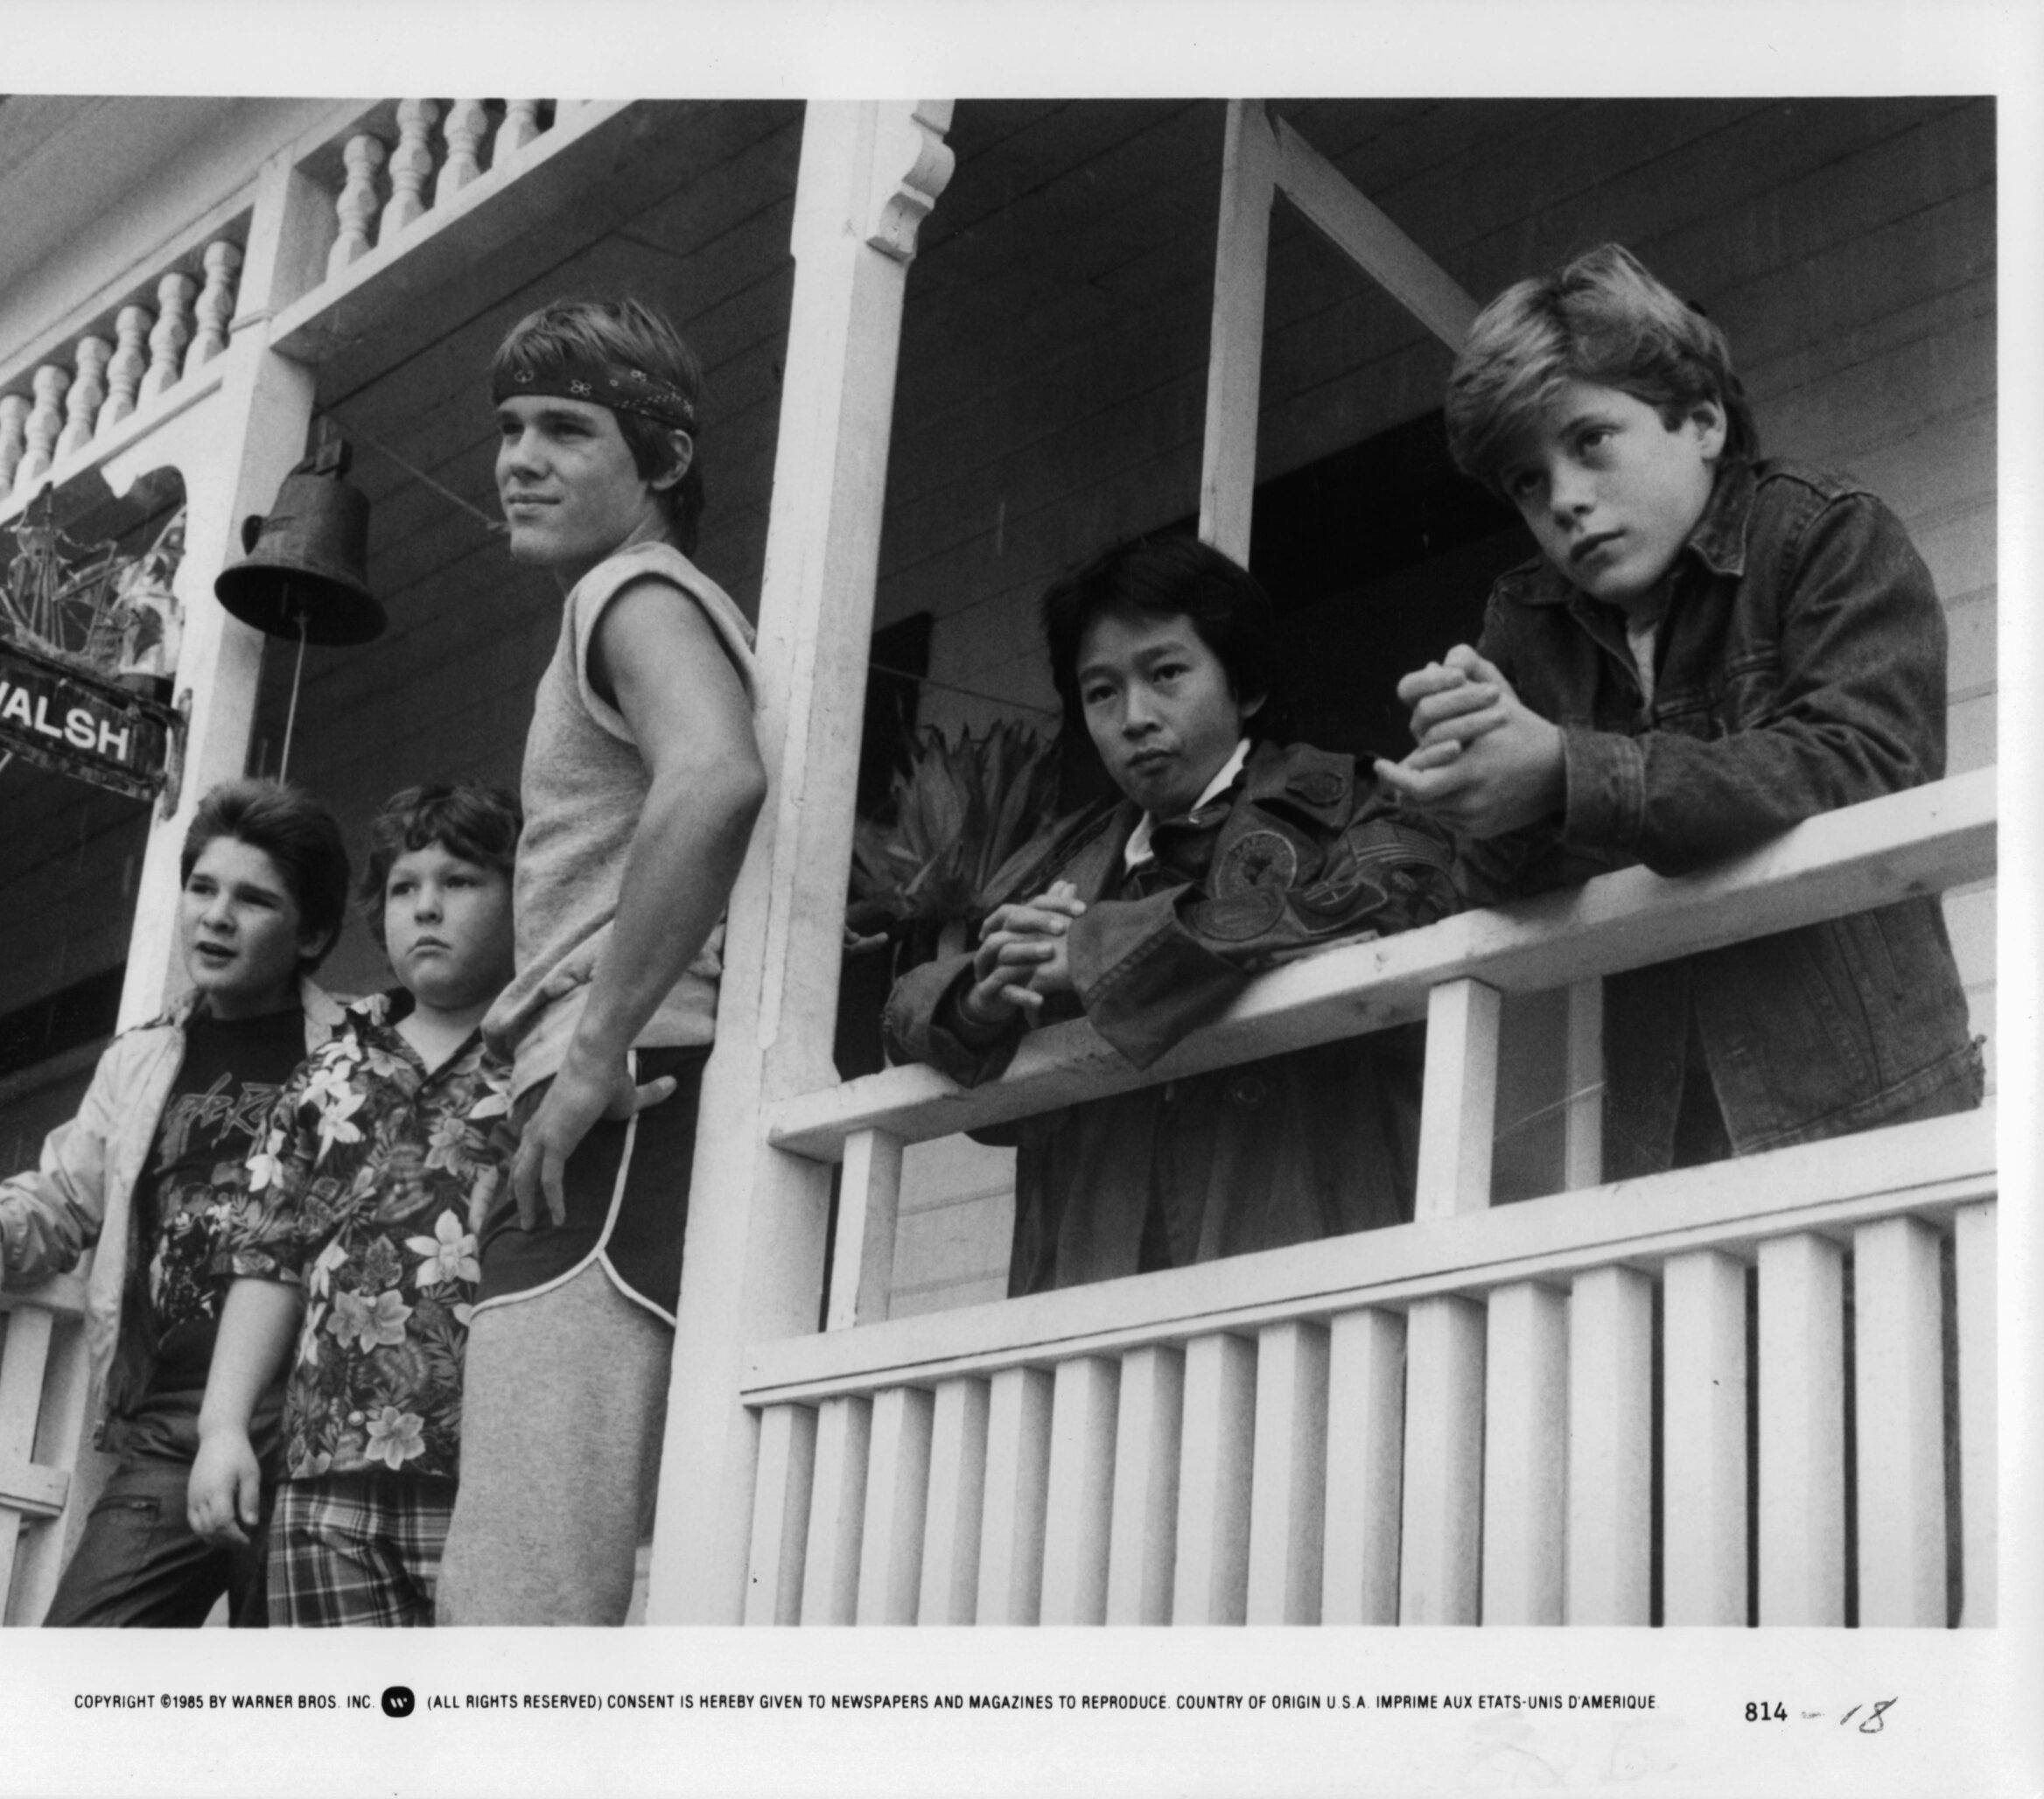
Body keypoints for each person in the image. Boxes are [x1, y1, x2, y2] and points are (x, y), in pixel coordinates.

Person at [1374, 242, 1984, 1175]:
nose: (1564, 500)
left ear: (1701, 421)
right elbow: (1503, 895)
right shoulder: (1527, 619)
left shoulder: (1822, 532)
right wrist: (1479, 793)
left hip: (1876, 1124)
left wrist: (1564, 771)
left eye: (1589, 441)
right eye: (1527, 482)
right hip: (1661, 1146)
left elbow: (1865, 765)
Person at [433, 297, 766, 1626]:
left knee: (516, 1592)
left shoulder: (629, 592)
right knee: (564, 1580)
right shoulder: (640, 603)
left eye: (567, 430)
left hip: (616, 1101)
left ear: (663, 460)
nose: (520, 458)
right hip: (618, 1097)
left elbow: (716, 778)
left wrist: (587, 1051)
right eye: (510, 428)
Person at [885, 535, 1460, 1296]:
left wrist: (1098, 953)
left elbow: (1392, 906)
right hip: (1090, 1281)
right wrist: (978, 1002)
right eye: (1101, 692)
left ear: (1245, 686)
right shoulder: (1057, 862)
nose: (1135, 717)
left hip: (1299, 1254)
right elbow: (915, 1019)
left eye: (1166, 674)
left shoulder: (1354, 804)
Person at [0, 778, 350, 1626]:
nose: (216, 916)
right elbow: (66, 1191)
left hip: (315, 1421)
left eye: (254, 899)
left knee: (294, 1687)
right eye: (203, 888)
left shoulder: (354, 1053)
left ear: (313, 933)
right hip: (173, 1423)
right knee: (79, 1663)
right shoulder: (140, 1060)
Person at [186, 783, 519, 1627]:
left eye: (461, 881)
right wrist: (223, 1428)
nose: (427, 907)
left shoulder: (544, 1058)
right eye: (405, 888)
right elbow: (268, 1257)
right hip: (324, 1475)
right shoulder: (330, 1069)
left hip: (489, 1471)